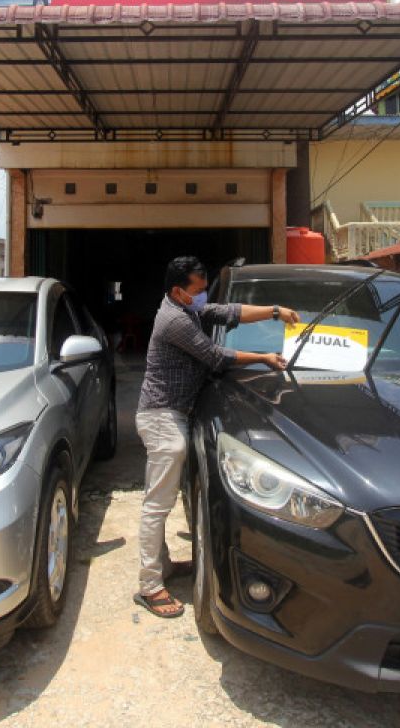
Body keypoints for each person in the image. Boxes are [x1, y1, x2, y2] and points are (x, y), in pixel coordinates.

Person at [133, 256, 299, 618]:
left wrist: (275, 311)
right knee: (157, 504)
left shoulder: (186, 308)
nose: (203, 296)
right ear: (178, 291)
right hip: (163, 418)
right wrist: (265, 358)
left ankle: (161, 566)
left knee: (159, 498)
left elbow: (228, 312)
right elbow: (214, 355)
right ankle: (149, 586)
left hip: (170, 415)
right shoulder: (174, 320)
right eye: (198, 290)